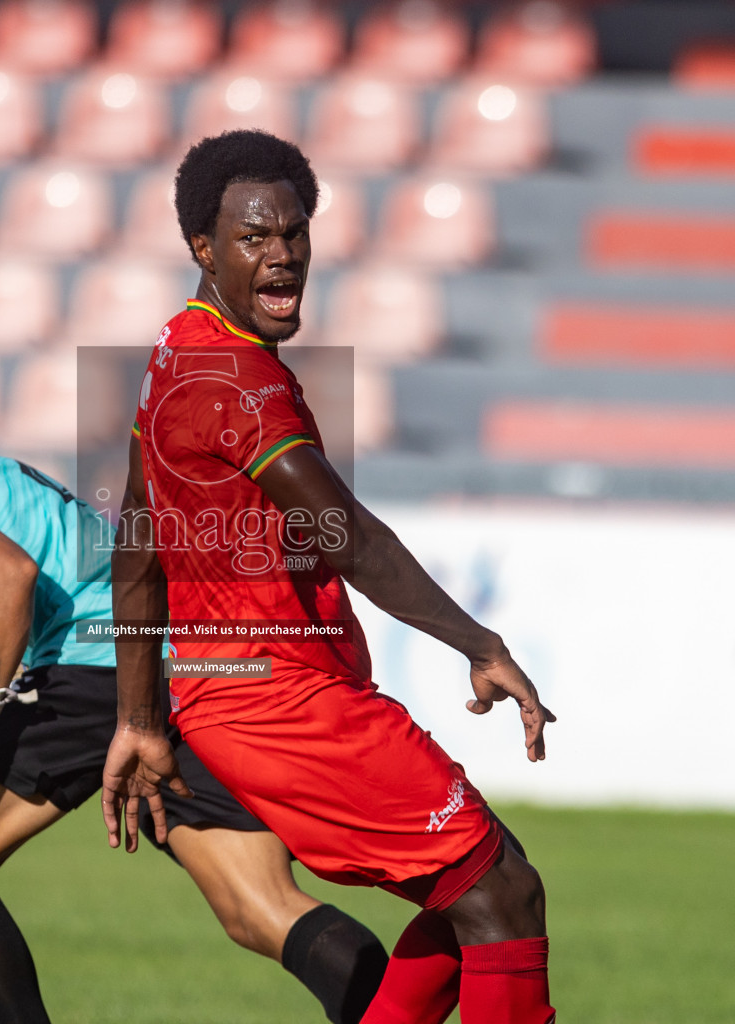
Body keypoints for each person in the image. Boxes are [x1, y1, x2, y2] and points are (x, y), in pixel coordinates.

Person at [0, 352, 389, 1024]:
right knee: (257, 907)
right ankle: (395, 1010)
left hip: (97, 663)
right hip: (179, 658)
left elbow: (7, 573)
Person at [101, 130, 558, 1024]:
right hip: (280, 700)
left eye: (294, 234)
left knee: (474, 894)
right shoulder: (235, 380)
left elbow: (136, 538)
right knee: (504, 893)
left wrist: (142, 717)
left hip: (244, 697)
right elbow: (343, 533)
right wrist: (480, 641)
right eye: (252, 239)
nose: (282, 256)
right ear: (203, 248)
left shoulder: (177, 350)